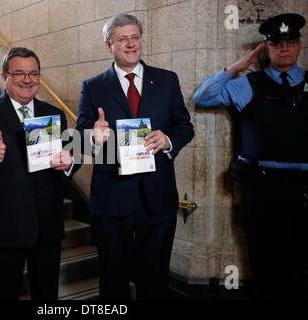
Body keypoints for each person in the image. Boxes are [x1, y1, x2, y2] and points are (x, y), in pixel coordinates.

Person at [75, 14, 194, 299]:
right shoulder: (92, 86)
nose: (130, 44)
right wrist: (94, 134)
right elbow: (80, 134)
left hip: (158, 194)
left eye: (135, 37)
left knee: (155, 276)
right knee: (112, 275)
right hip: (112, 195)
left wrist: (167, 139)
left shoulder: (166, 80)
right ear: (108, 45)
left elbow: (184, 126)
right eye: (122, 38)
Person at [193, 13, 308, 298]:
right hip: (262, 188)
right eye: (277, 43)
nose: (284, 48)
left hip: (304, 190)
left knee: (302, 264)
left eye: (291, 41)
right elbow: (203, 97)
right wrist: (235, 68)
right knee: (265, 264)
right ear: (266, 49)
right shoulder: (249, 84)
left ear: (299, 45)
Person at [0, 47, 73, 299]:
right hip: (4, 226)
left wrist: (68, 163)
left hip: (47, 227)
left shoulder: (54, 114)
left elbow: (66, 159)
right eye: (19, 73)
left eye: (33, 73)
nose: (27, 79)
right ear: (5, 76)